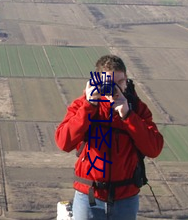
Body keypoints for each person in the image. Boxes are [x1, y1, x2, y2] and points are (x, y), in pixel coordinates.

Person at [55, 55, 164, 220]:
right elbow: (64, 142)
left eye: (120, 82)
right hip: (89, 195)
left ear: (126, 81)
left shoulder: (137, 109)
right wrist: (89, 106)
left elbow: (154, 148)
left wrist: (128, 116)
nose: (115, 88)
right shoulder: (83, 105)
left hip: (125, 198)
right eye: (109, 83)